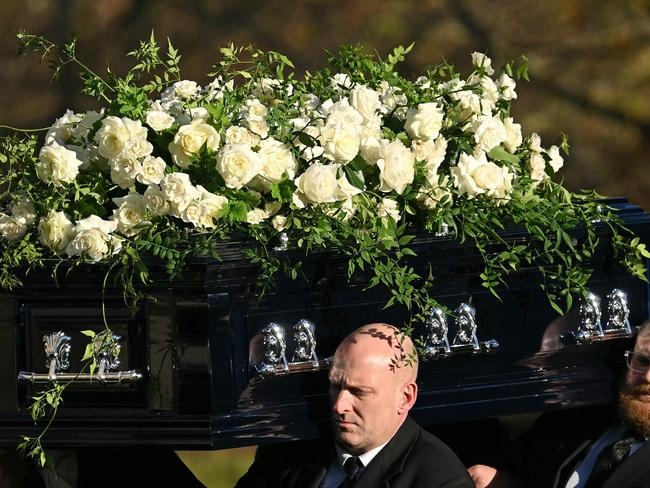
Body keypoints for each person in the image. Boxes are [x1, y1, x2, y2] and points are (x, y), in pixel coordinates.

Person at [235, 322, 474, 488]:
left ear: (405, 398)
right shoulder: (290, 454)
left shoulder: (438, 480)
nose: (340, 406)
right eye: (336, 386)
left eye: (359, 392)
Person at [468, 319, 650, 488]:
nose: (647, 377)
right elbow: (522, 464)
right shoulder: (579, 422)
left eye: (560, 361)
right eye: (643, 361)